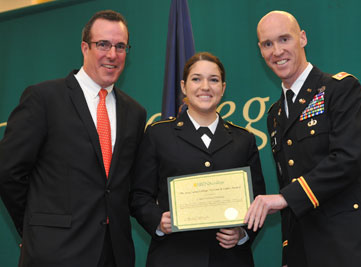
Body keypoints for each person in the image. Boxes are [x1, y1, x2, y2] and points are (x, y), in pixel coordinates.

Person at [244, 10, 361, 267]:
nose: (277, 51)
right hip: (303, 249)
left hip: (349, 244)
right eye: (268, 44)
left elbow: (348, 159)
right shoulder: (275, 115)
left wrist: (285, 198)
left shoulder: (340, 89)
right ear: (260, 50)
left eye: (284, 39)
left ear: (302, 38)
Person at [0, 10, 146, 267]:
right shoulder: (43, 99)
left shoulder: (135, 112)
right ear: (84, 47)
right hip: (54, 253)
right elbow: (8, 171)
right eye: (103, 44)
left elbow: (129, 186)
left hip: (115, 254)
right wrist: (35, 229)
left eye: (120, 46)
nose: (112, 54)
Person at [131, 52, 266, 267]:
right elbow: (139, 195)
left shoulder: (244, 139)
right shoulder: (158, 135)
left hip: (230, 259)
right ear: (184, 86)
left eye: (213, 80)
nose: (205, 86)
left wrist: (242, 233)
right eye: (196, 79)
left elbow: (258, 199)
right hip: (174, 256)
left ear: (223, 87)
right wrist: (158, 221)